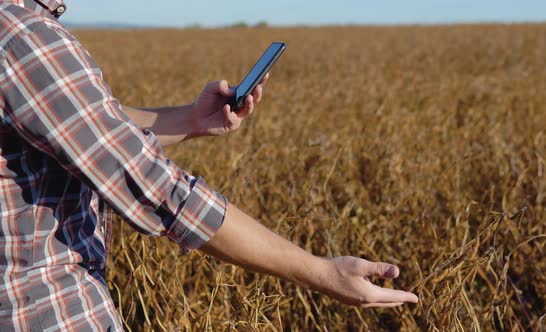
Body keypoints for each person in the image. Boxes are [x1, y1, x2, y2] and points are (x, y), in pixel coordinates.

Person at [0, 0, 418, 330]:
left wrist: (190, 120)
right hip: (46, 313)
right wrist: (322, 273)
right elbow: (161, 190)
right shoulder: (22, 38)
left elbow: (87, 126)